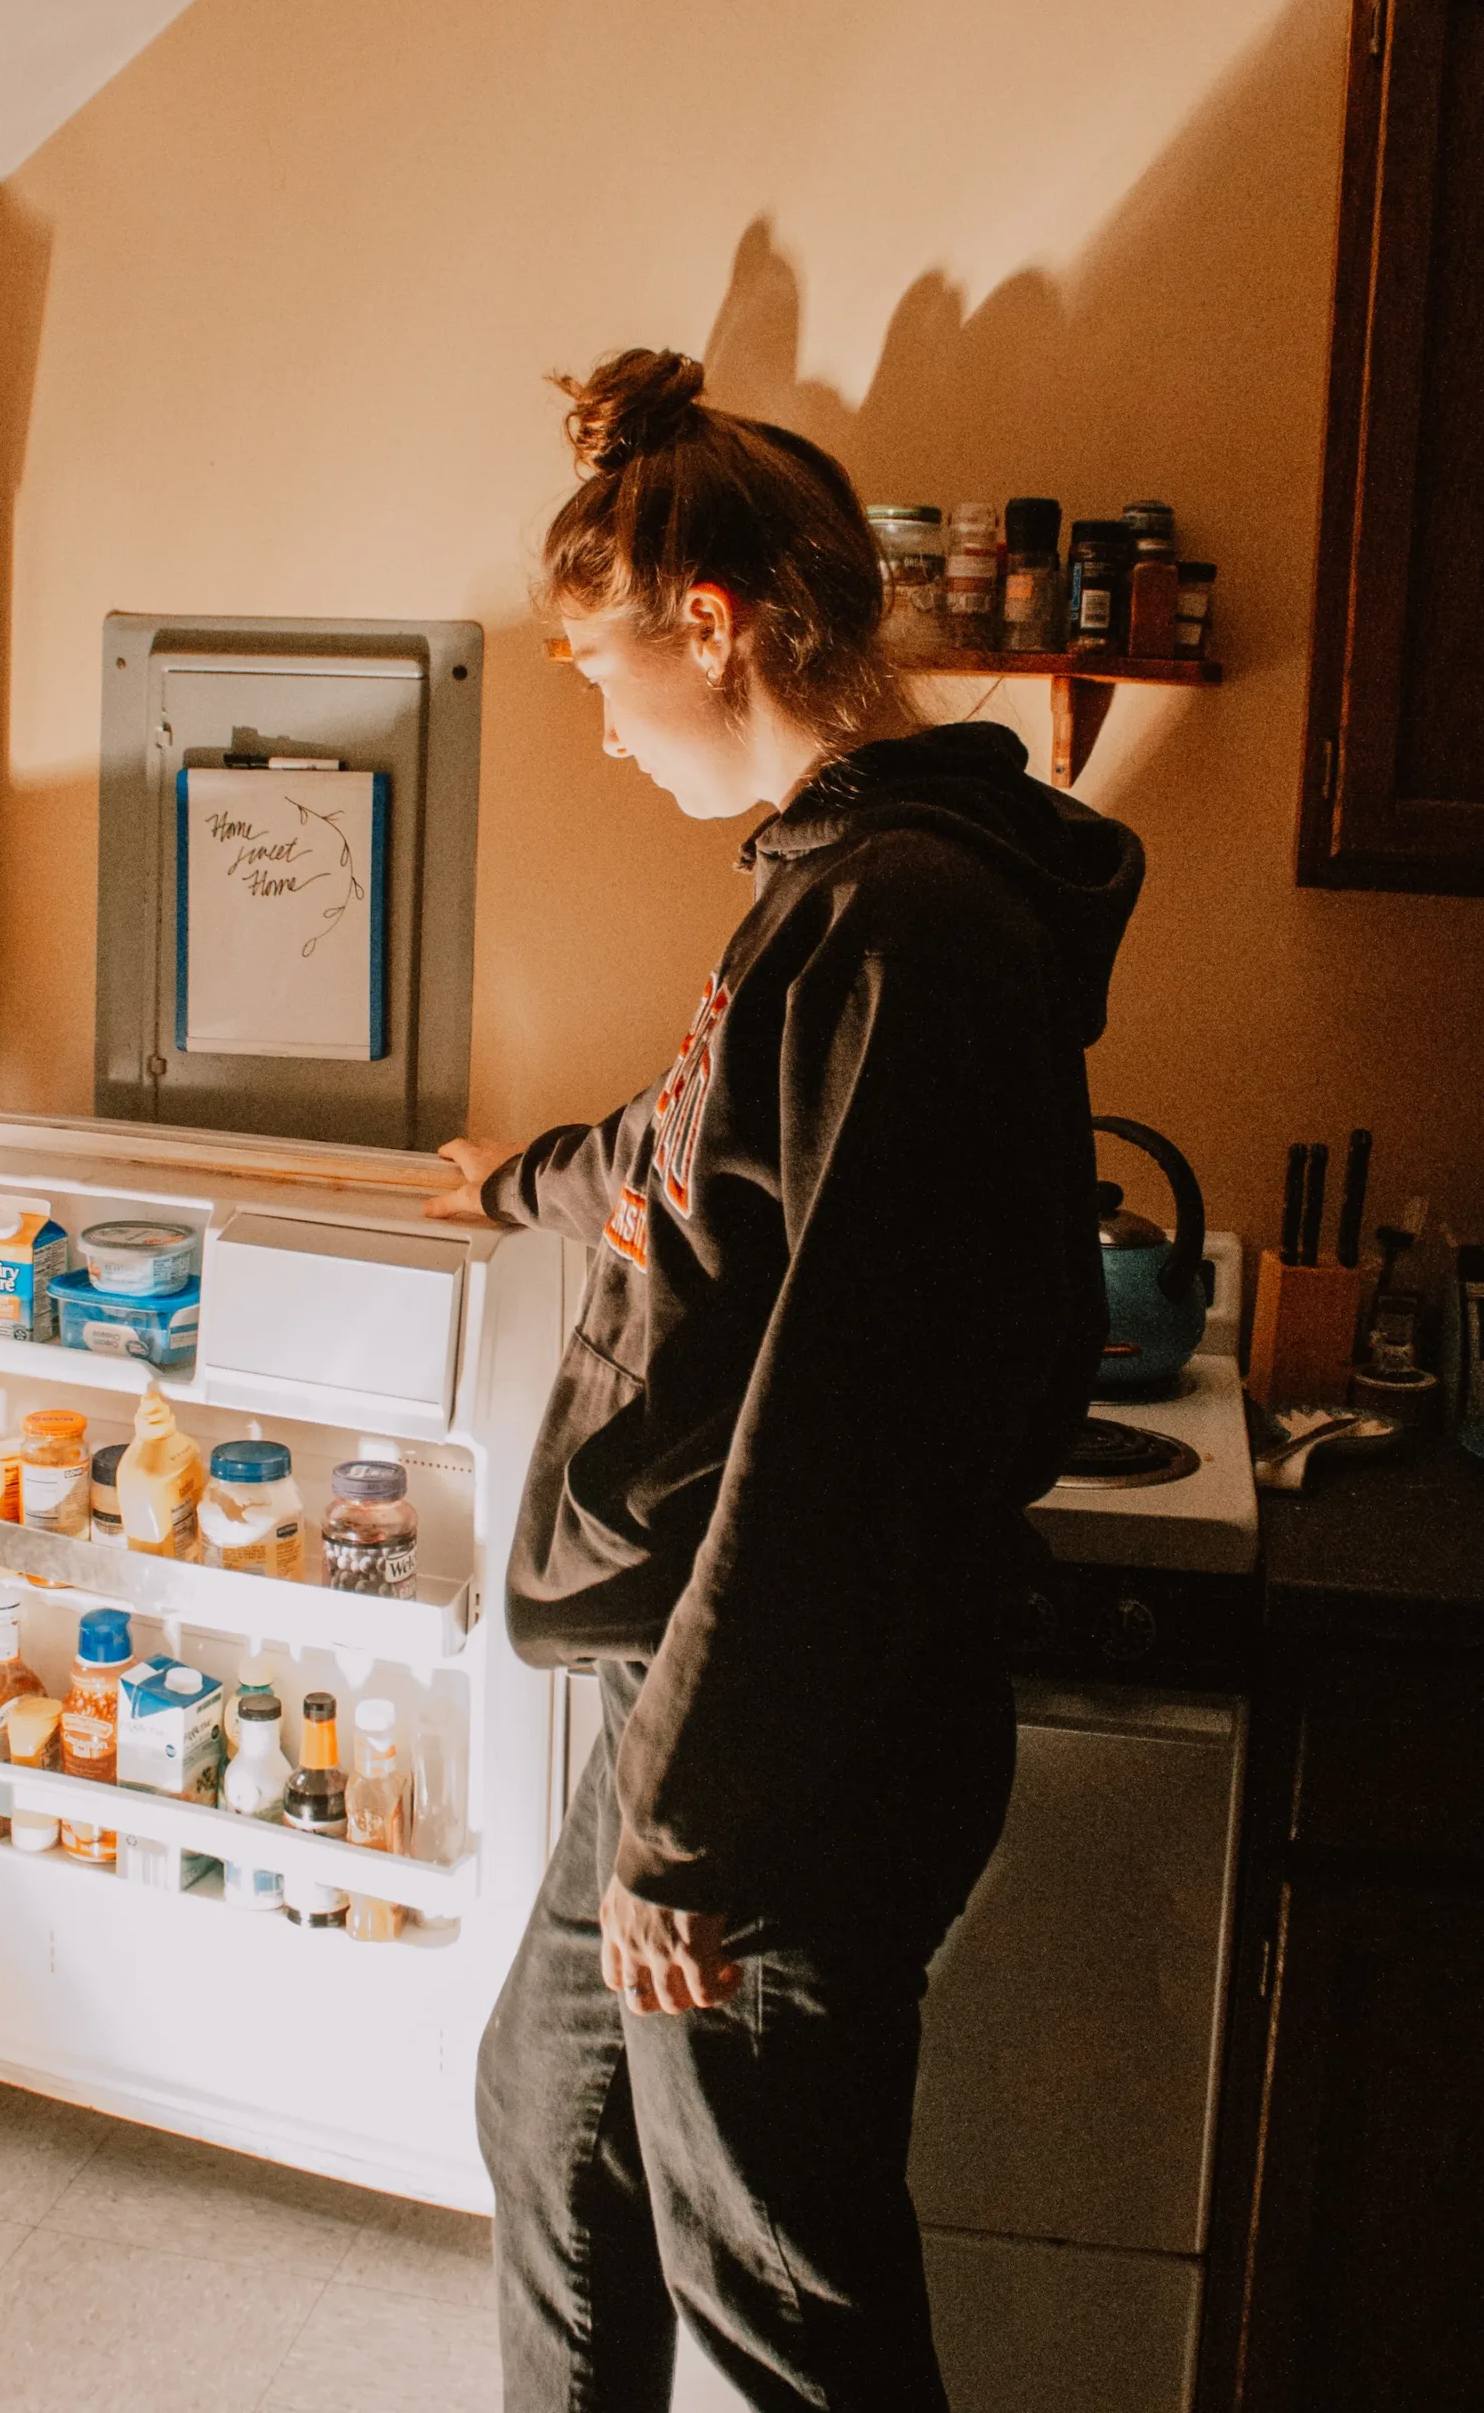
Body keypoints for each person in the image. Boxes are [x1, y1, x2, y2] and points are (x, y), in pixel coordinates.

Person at [425, 348, 1144, 2413]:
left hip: (796, 1730)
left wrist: (695, 1827)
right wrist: (515, 1181)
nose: (596, 721)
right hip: (712, 1704)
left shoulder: (903, 924)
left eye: (592, 668)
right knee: (550, 2118)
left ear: (713, 623)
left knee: (774, 2275)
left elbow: (852, 1435)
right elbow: (697, 1164)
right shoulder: (833, 891)